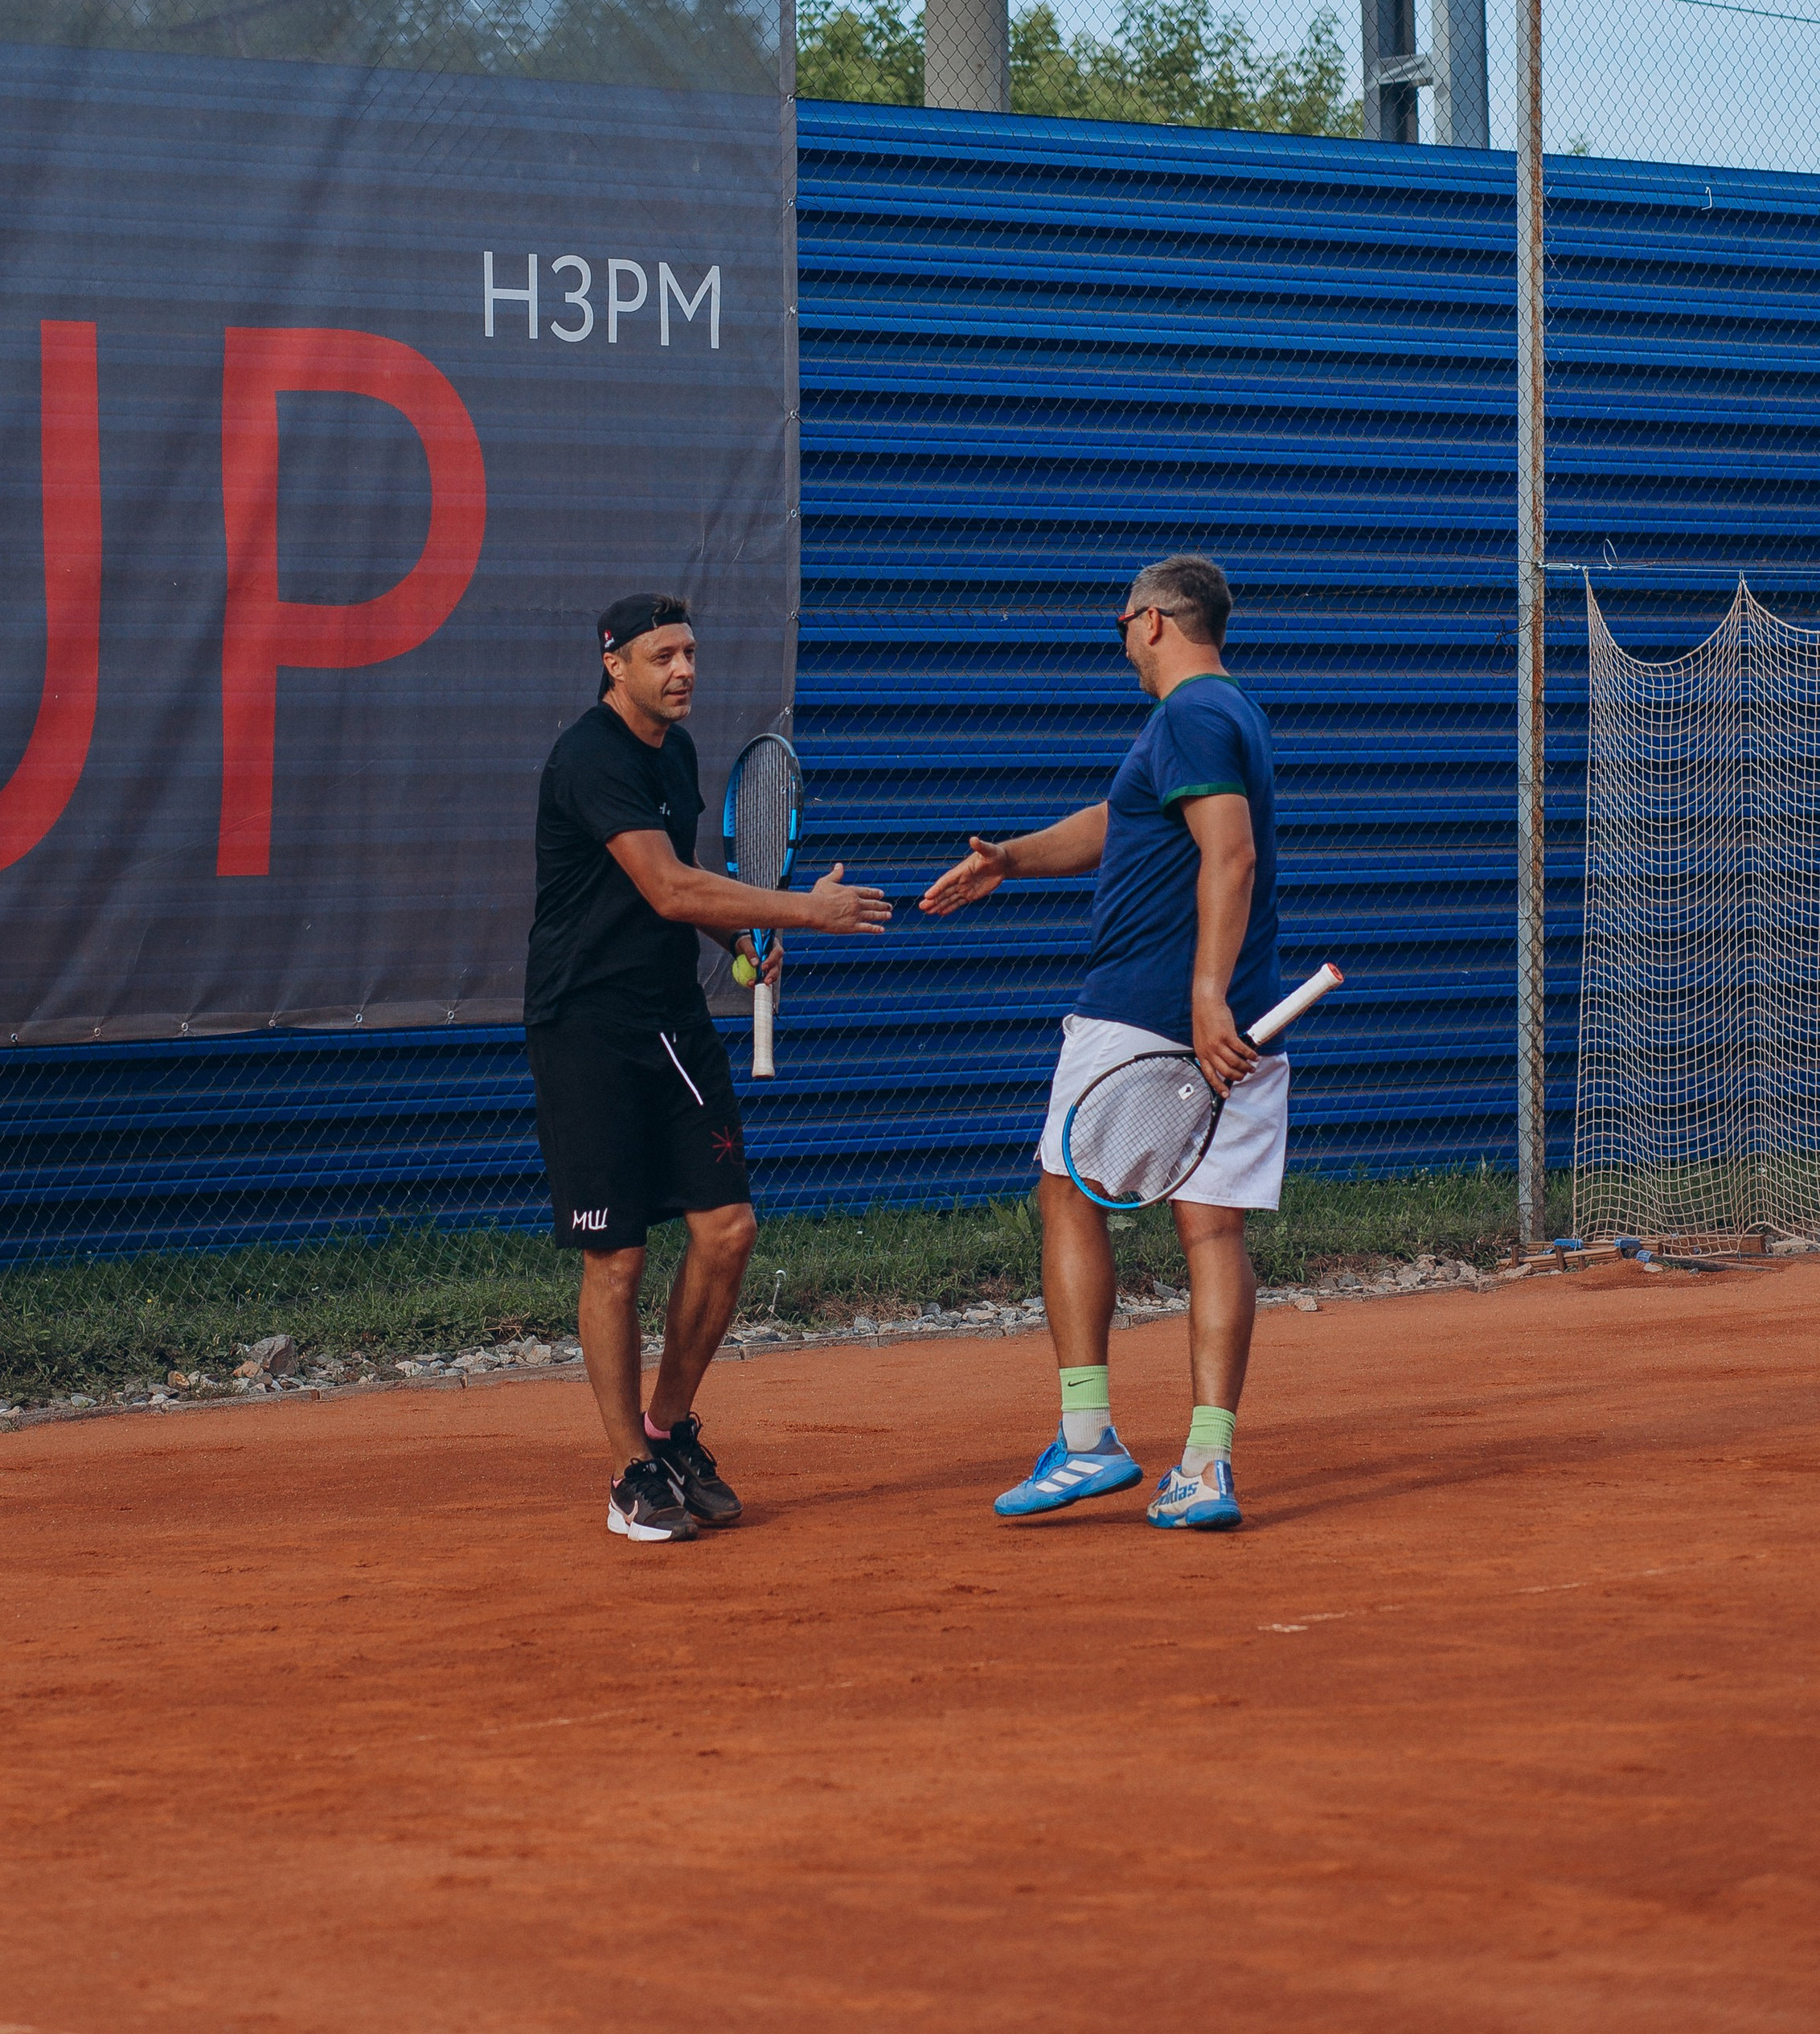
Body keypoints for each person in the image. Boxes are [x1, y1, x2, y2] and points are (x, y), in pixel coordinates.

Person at [920, 554, 1281, 1532]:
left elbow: (1231, 853)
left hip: (1146, 1010)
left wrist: (1201, 993)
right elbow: (1122, 824)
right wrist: (1012, 858)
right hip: (1229, 1019)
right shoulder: (1218, 715)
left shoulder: (1192, 715)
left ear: (1156, 620)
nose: (1120, 636)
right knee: (1212, 1232)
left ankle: (1087, 1441)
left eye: (1122, 620)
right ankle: (1205, 1465)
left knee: (1064, 1194)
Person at [525, 591, 892, 1544]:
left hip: (670, 1019)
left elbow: (684, 895)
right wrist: (797, 914)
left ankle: (666, 1427)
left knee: (726, 1230)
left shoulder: (676, 753)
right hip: (587, 1028)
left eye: (690, 651)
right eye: (662, 656)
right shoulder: (588, 758)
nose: (683, 669)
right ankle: (630, 1475)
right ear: (616, 665)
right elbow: (664, 882)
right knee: (617, 1258)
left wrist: (742, 934)